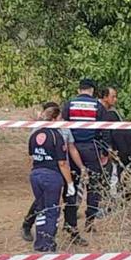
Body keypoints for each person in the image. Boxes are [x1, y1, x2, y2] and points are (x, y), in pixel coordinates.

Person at [22, 102, 85, 243]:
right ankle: (29, 225)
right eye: (60, 117)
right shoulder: (38, 130)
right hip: (52, 170)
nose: (62, 120)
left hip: (64, 169)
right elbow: (33, 152)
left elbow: (71, 148)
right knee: (44, 204)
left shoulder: (64, 129)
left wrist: (81, 166)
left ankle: (72, 231)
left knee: (70, 200)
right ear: (53, 118)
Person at [62, 78, 109, 237]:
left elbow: (62, 127)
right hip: (92, 148)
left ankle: (69, 222)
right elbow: (105, 131)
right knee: (94, 185)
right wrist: (105, 152)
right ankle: (90, 221)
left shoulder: (69, 104)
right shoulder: (98, 106)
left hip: (72, 148)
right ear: (92, 91)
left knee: (71, 184)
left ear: (79, 90)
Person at [99, 87, 131, 194]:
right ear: (105, 97)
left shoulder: (113, 112)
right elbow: (108, 133)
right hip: (108, 152)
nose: (116, 99)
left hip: (117, 152)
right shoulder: (106, 114)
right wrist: (109, 149)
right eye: (113, 97)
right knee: (110, 178)